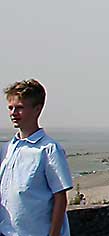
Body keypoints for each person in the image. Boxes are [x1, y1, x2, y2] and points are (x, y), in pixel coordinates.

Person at [2, 79, 73, 236]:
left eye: (20, 108)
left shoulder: (49, 149)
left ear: (37, 109)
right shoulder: (6, 149)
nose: (13, 113)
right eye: (11, 108)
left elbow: (60, 198)